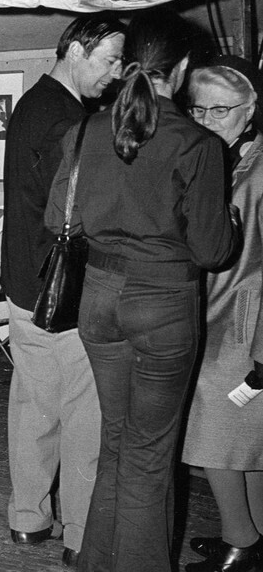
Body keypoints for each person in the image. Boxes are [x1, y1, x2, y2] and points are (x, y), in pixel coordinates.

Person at [44, 8, 239, 572]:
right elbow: (213, 250)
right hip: (163, 305)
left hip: (99, 300)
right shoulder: (197, 143)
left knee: (117, 441)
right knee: (151, 456)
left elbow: (59, 216)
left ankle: (96, 562)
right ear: (179, 70)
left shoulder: (84, 130)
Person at [0, 13, 126, 566]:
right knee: (82, 413)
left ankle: (28, 518)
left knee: (33, 406)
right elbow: (80, 214)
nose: (116, 73)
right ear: (76, 49)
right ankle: (80, 531)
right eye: (110, 59)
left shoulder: (32, 105)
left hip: (25, 282)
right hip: (66, 291)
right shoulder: (71, 119)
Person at [181, 58, 263, 572]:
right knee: (247, 439)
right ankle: (253, 532)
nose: (209, 118)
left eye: (222, 109)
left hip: (244, 323)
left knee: (213, 431)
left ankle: (242, 542)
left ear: (250, 108)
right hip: (219, 312)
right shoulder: (228, 155)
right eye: (200, 108)